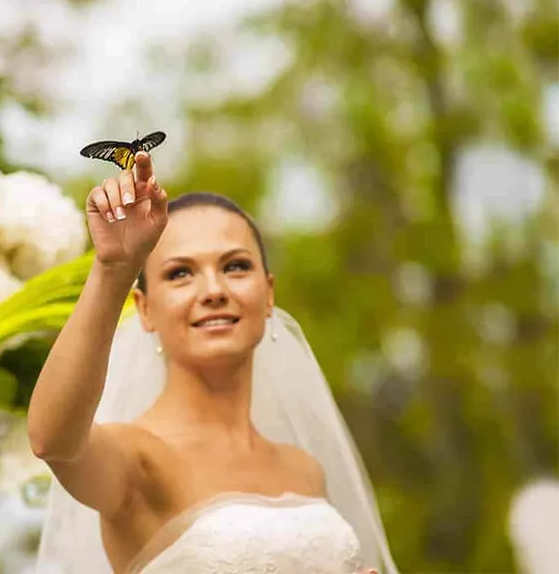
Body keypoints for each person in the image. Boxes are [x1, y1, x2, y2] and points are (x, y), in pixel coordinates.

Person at [27, 152, 398, 573]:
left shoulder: (305, 470)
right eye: (180, 274)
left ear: (269, 294)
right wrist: (113, 269)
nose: (214, 291)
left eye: (235, 267)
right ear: (145, 309)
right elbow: (52, 441)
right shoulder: (137, 460)